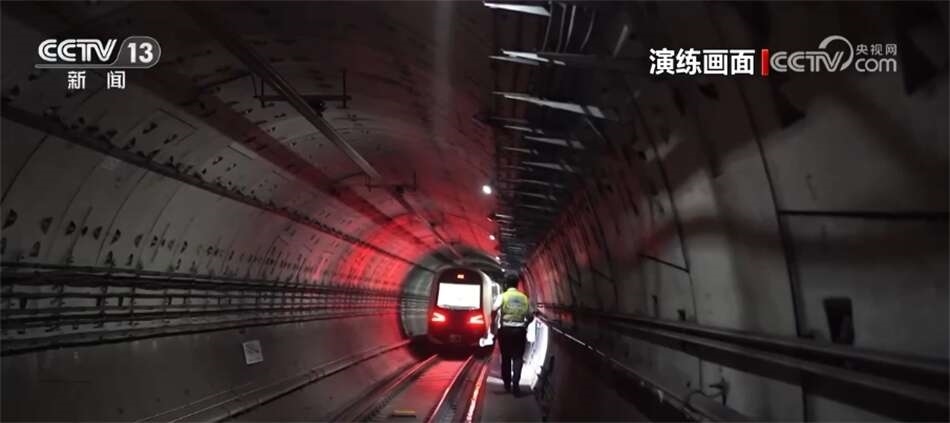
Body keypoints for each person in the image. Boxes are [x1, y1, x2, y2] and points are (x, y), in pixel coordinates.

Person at [493, 274, 534, 396]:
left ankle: (507, 384)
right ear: (517, 284)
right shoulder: (524, 298)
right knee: (518, 358)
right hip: (520, 331)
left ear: (506, 284)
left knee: (506, 357)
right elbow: (531, 315)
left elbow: (494, 309)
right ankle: (516, 384)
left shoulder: (503, 296)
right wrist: (525, 324)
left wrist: (493, 325)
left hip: (505, 330)